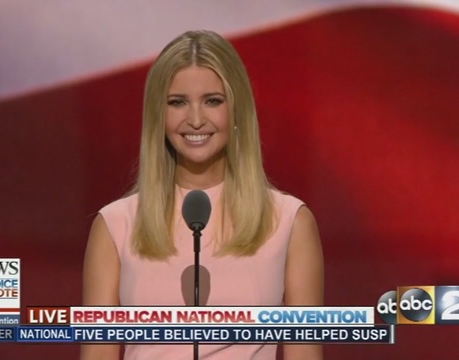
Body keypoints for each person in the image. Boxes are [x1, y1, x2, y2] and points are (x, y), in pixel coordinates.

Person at [81, 30, 324, 360]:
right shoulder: (115, 226)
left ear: (236, 110)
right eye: (178, 102)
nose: (195, 120)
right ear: (158, 116)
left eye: (213, 101)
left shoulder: (289, 222)